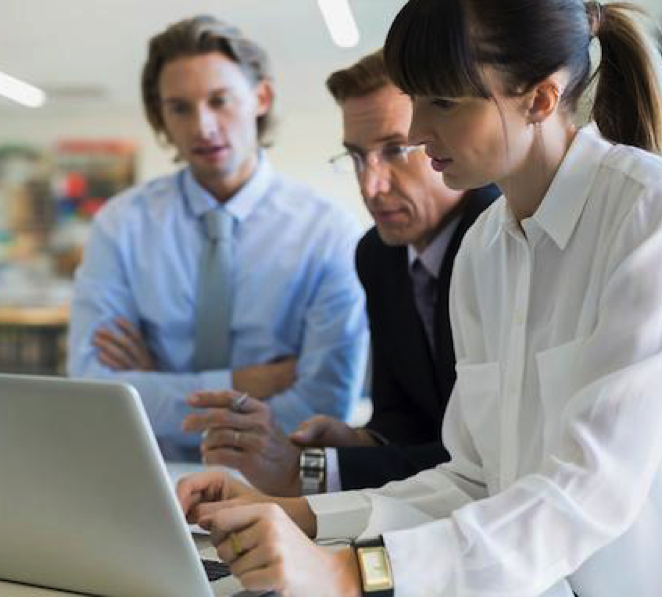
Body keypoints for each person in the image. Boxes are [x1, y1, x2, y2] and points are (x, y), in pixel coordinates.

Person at [177, 0, 662, 595]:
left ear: (539, 98)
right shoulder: (485, 246)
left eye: (443, 103)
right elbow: (473, 480)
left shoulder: (657, 214)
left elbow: (590, 490)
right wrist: (295, 516)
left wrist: (351, 571)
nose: (420, 132)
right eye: (417, 99)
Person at [182, 52, 499, 496]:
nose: (370, 187)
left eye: (394, 151)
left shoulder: (501, 239)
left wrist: (316, 468)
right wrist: (358, 441)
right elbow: (404, 415)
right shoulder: (378, 254)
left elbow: (488, 459)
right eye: (356, 157)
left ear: (444, 138)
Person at [68, 15, 368, 458]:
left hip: (277, 490)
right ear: (161, 117)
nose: (203, 127)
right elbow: (93, 390)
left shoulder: (328, 232)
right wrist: (244, 384)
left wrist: (153, 387)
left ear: (260, 97)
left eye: (219, 100)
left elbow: (322, 406)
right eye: (180, 108)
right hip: (145, 472)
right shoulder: (121, 225)